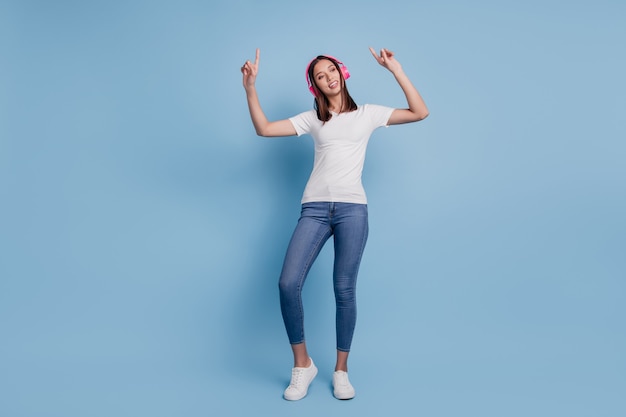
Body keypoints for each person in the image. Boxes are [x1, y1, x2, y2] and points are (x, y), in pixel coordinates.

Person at [240, 47, 429, 401]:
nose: (328, 77)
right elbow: (264, 129)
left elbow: (420, 112)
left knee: (344, 290)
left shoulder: (369, 114)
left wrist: (396, 70)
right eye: (319, 76)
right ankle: (303, 365)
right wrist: (251, 87)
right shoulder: (314, 120)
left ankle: (341, 371)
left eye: (331, 71)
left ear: (343, 73)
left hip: (352, 209)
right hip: (313, 208)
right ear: (315, 87)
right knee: (287, 283)